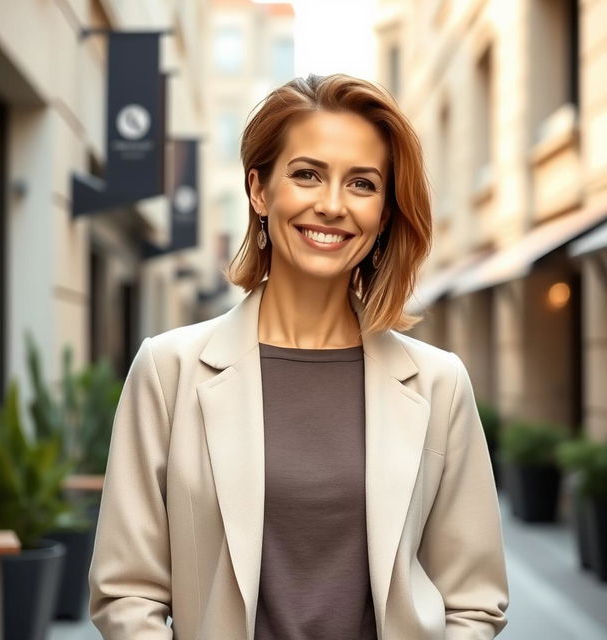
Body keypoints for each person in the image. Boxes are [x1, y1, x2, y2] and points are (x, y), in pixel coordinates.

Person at [88, 73, 509, 640]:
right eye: (307, 174)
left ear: (384, 213)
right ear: (260, 190)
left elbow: (474, 600)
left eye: (362, 184)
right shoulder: (169, 371)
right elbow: (126, 591)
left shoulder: (438, 383)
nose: (332, 205)